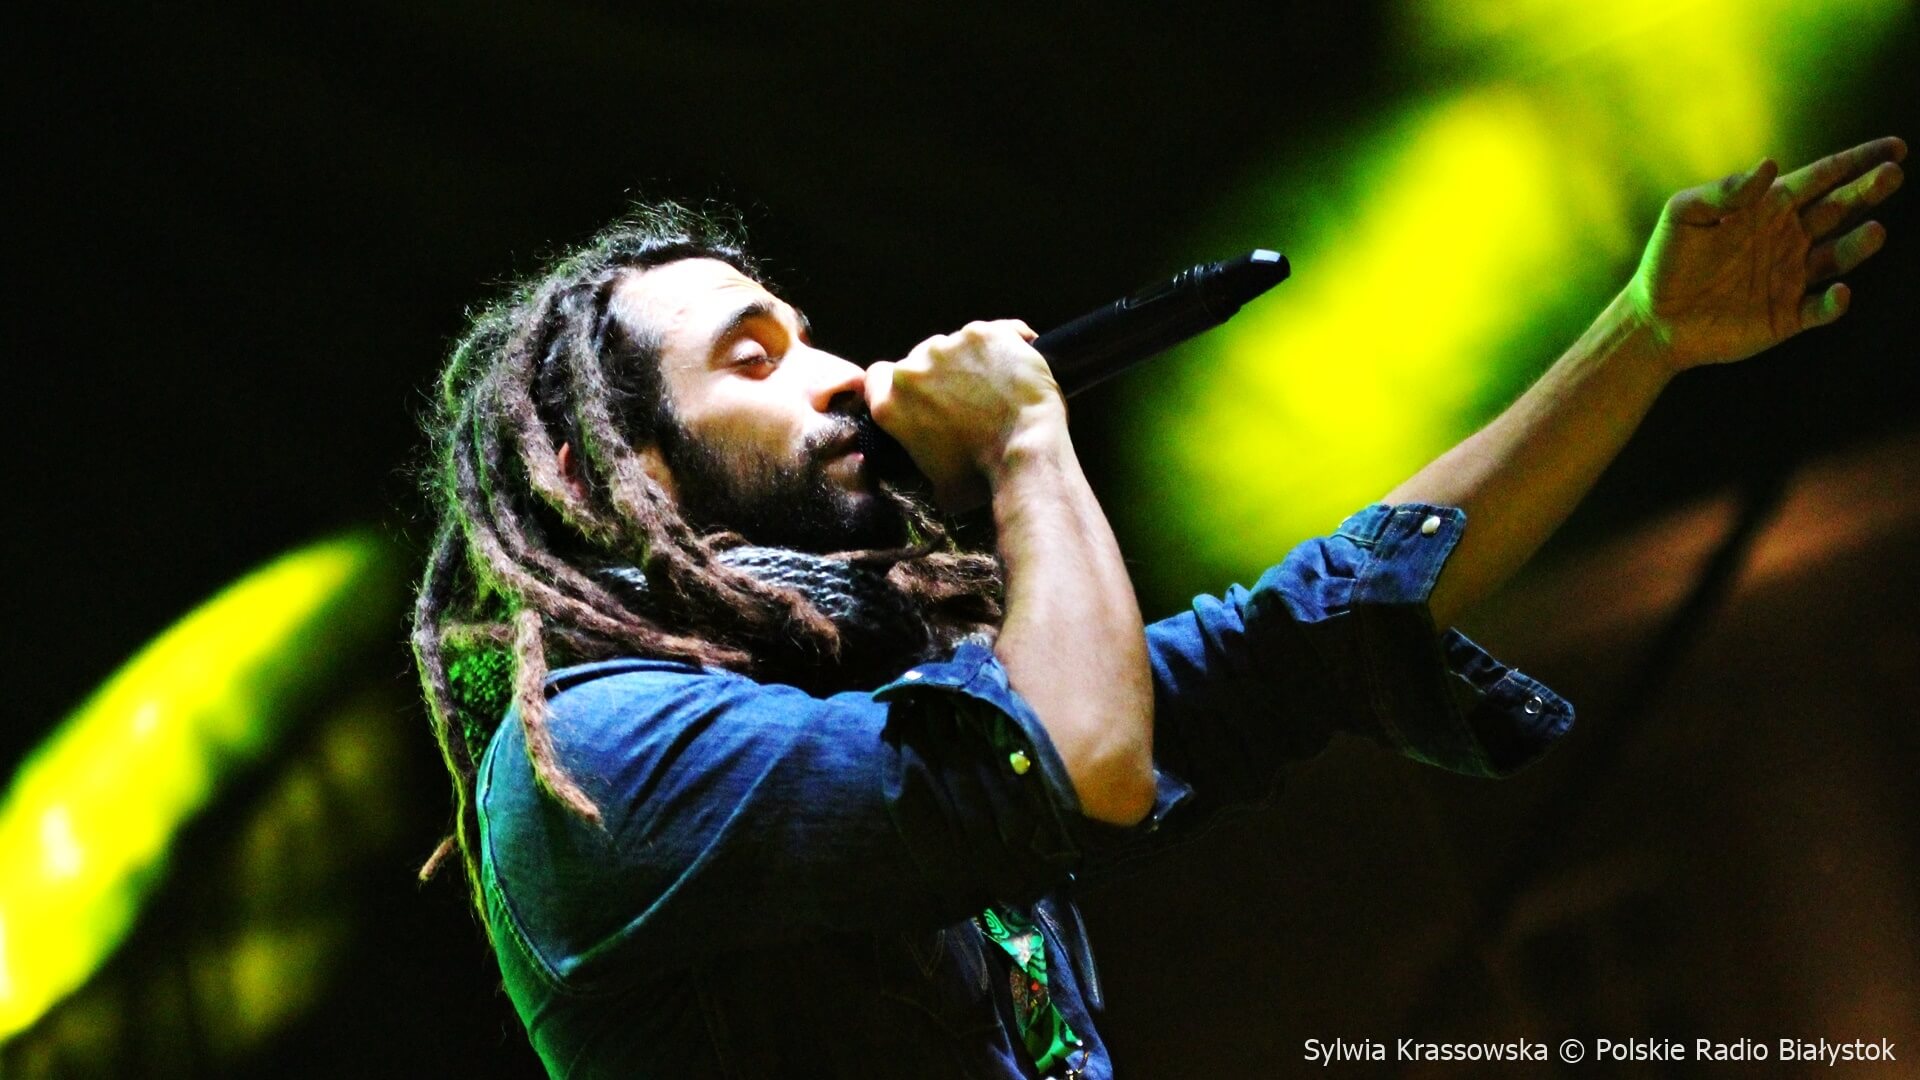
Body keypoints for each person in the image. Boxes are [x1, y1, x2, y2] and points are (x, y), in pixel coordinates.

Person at [410, 137, 1904, 1078]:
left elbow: (1310, 629)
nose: (847, 378)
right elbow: (1080, 760)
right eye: (753, 358)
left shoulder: (865, 699)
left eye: (812, 337)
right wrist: (1024, 438)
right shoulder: (595, 763)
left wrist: (1640, 338)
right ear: (604, 473)